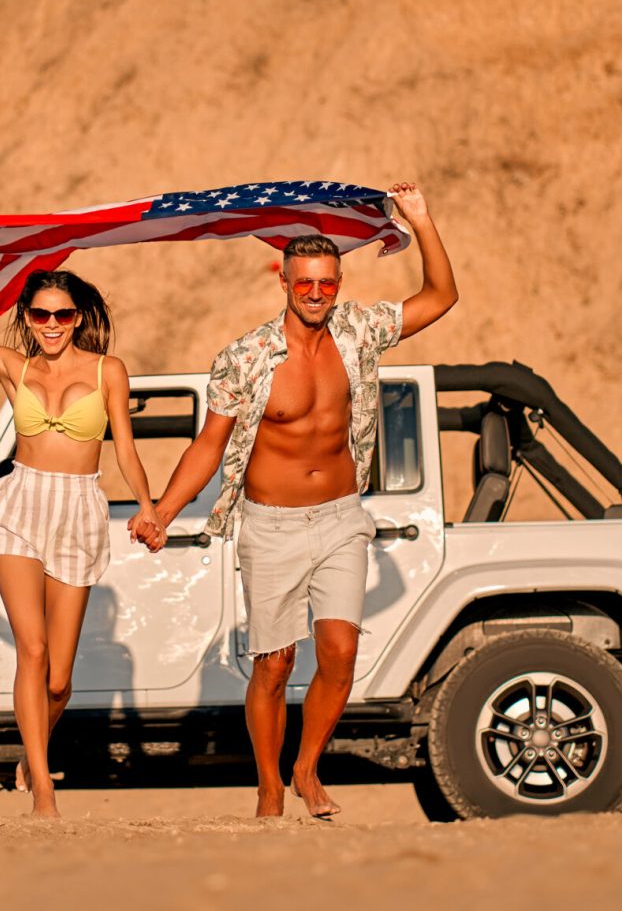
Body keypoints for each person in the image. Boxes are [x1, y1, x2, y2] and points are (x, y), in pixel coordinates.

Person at [137, 182, 456, 818]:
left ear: (338, 283)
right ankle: (268, 787)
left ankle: (307, 769)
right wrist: (162, 511)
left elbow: (441, 297)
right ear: (283, 281)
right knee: (275, 663)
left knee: (340, 651)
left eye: (327, 283)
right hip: (271, 524)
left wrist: (421, 219)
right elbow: (208, 445)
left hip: (340, 516)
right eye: (305, 282)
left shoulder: (361, 331)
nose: (317, 293)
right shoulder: (246, 357)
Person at [0, 217, 162, 818]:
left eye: (61, 315)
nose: (49, 325)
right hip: (19, 506)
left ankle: (32, 751)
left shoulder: (107, 370)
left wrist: (148, 507)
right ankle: (43, 787)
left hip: (79, 509)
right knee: (33, 652)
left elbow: (124, 449)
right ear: (27, 317)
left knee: (60, 679)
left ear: (76, 317)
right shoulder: (12, 368)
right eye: (39, 315)